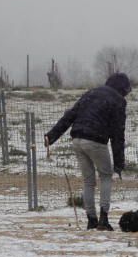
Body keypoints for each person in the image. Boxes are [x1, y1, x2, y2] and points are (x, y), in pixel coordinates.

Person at [45, 72, 131, 231]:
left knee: (89, 181)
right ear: (123, 89)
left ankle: (91, 219)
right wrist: (119, 164)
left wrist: (51, 136)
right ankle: (103, 220)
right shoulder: (118, 101)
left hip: (77, 139)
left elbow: (69, 116)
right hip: (96, 140)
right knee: (106, 176)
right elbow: (118, 133)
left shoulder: (90, 93)